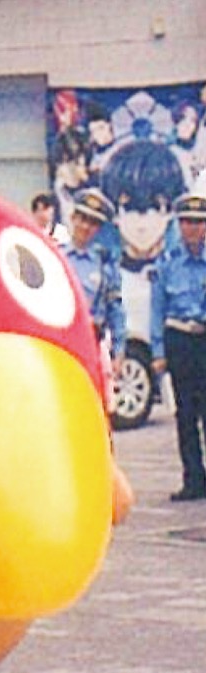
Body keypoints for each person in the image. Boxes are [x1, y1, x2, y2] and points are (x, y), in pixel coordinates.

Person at [150, 193, 206, 502]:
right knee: (185, 415)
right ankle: (193, 480)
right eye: (186, 222)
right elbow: (157, 310)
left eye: (198, 223)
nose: (192, 229)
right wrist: (158, 353)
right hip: (181, 341)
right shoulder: (168, 262)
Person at [58, 188, 127, 368]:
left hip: (90, 343)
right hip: (59, 341)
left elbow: (115, 309)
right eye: (82, 219)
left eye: (93, 223)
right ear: (73, 218)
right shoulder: (56, 256)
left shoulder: (104, 264)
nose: (86, 227)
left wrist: (119, 350)